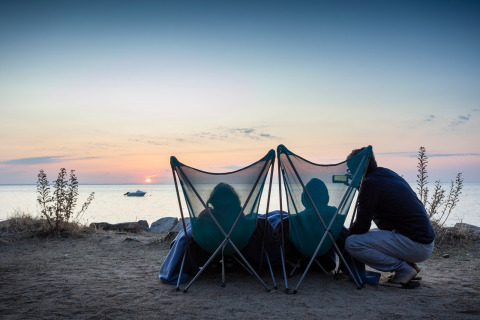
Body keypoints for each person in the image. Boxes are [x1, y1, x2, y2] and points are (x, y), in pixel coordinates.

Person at [344, 147, 435, 288]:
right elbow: (382, 222)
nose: (350, 173)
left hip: (416, 244)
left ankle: (404, 270)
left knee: (352, 243)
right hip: (423, 241)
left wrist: (346, 235)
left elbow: (362, 225)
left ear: (358, 167)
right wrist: (360, 188)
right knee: (368, 235)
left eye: (351, 169)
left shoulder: (370, 183)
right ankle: (411, 266)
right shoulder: (385, 174)